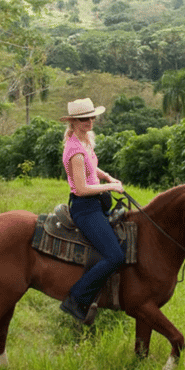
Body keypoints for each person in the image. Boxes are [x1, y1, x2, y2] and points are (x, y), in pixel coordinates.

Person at [59, 98, 125, 325]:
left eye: (92, 116)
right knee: (115, 256)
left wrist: (106, 176)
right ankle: (77, 298)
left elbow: (91, 167)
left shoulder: (85, 140)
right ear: (74, 122)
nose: (90, 121)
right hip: (85, 207)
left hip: (96, 202)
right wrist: (111, 186)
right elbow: (81, 188)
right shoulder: (74, 150)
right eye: (84, 118)